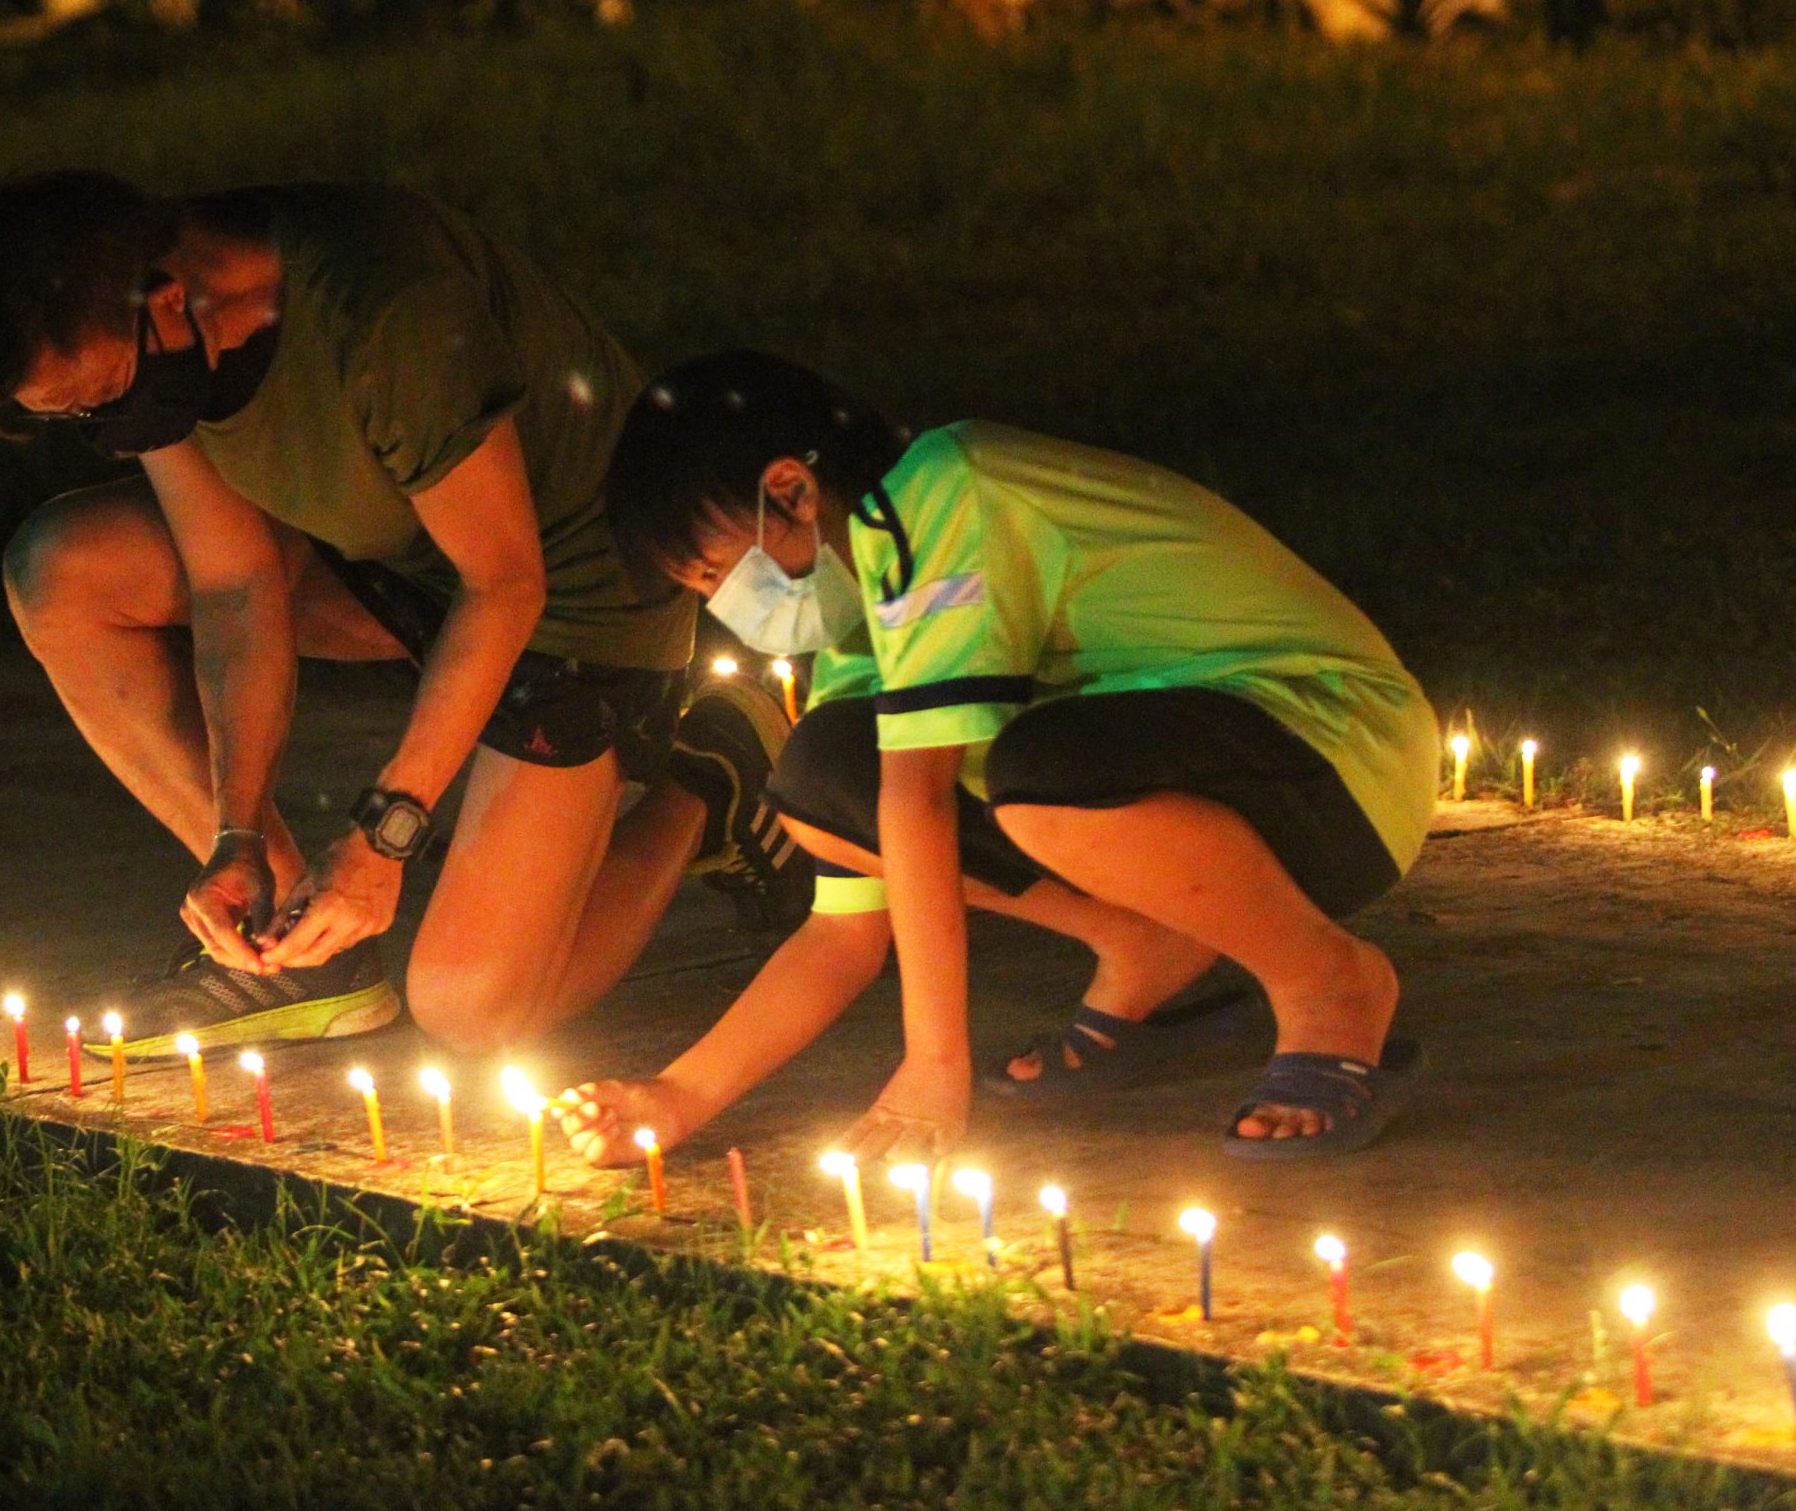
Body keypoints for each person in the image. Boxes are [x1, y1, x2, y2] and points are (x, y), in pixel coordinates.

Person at [0, 175, 800, 1055]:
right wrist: (237, 830)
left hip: (577, 597)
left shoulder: (386, 310)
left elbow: (505, 583)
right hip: (395, 562)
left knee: (473, 1011)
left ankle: (710, 771)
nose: (104, 426)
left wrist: (382, 838)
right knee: (62, 571)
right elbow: (235, 589)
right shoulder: (169, 348)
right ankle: (295, 945)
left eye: (98, 397)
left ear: (160, 298)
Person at [555, 350, 1438, 1165]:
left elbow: (922, 799)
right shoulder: (866, 614)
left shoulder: (945, 491)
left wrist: (935, 1065)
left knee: (1040, 774)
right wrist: (677, 1097)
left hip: (1339, 758)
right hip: (1205, 768)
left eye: (714, 573)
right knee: (825, 776)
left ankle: (1329, 983)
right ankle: (1148, 945)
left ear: (788, 491)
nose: (723, 606)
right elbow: (846, 923)